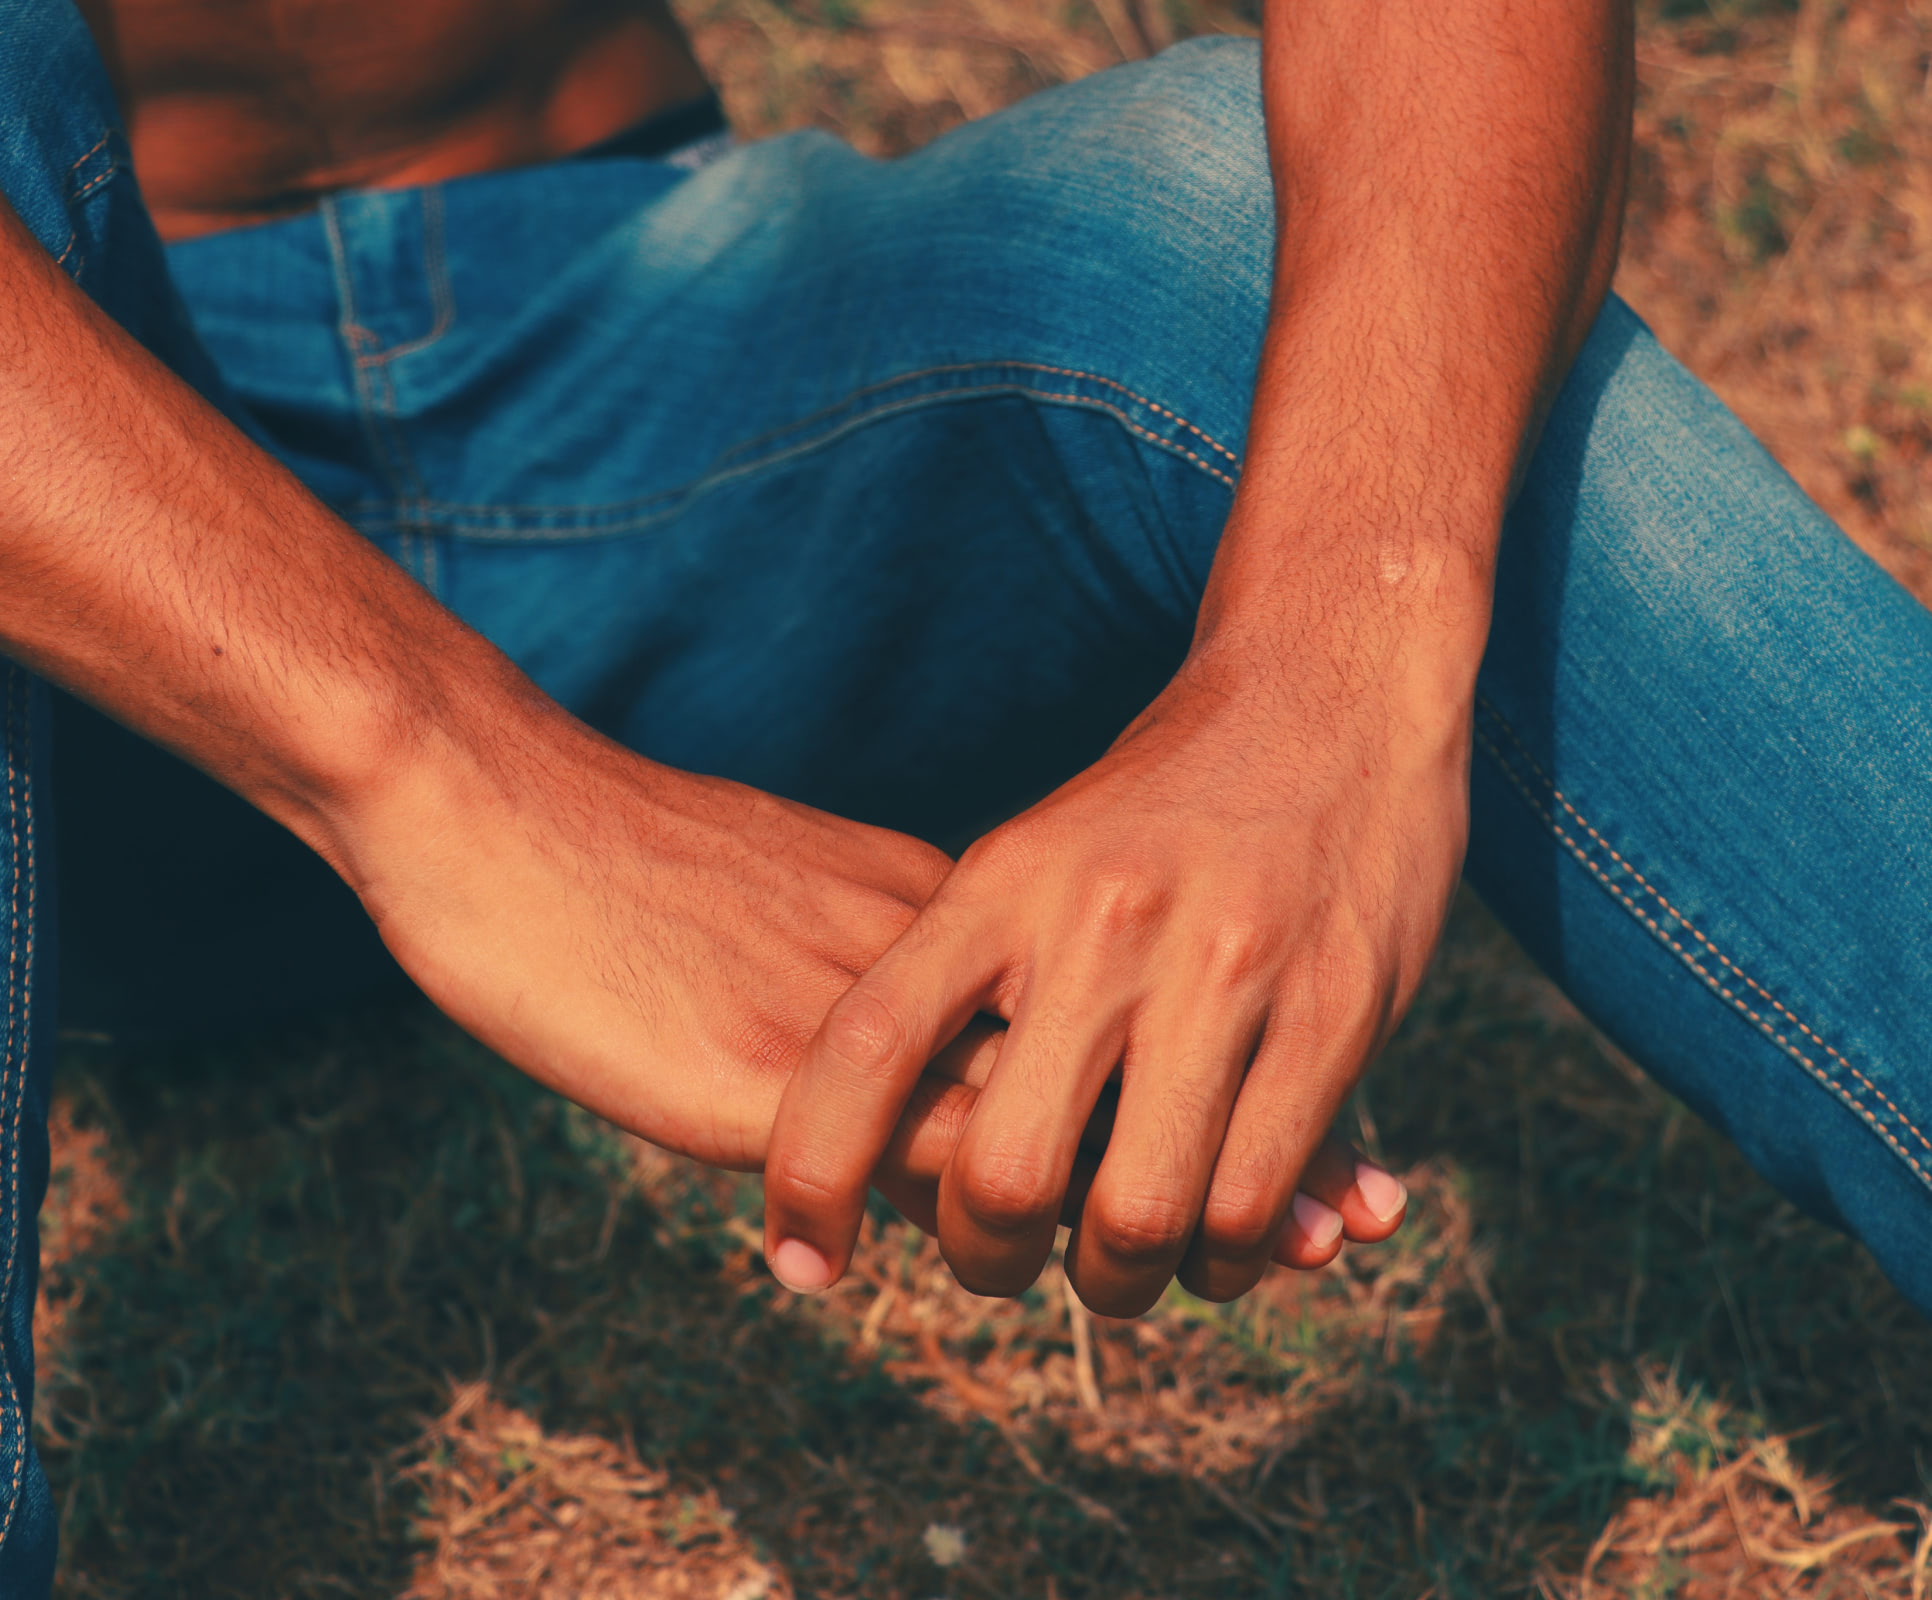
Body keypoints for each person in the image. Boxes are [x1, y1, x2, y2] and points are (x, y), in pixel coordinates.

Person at [0, 0, 1927, 1582]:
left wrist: (1342, 659)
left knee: (1216, 213)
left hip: (678, 390)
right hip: (77, 603)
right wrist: (453, 770)